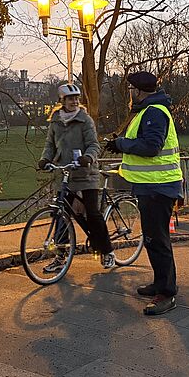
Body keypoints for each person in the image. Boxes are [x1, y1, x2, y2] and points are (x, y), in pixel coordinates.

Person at [105, 71, 182, 316]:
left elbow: (151, 147)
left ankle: (167, 294)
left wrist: (121, 144)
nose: (129, 95)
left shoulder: (155, 112)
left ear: (138, 91)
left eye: (131, 90)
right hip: (151, 185)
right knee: (152, 238)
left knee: (158, 240)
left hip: (159, 186)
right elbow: (141, 142)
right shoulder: (147, 111)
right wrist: (120, 144)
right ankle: (160, 283)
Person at [38, 83, 115, 272]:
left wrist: (88, 158)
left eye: (76, 98)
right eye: (70, 98)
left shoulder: (85, 120)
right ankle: (60, 256)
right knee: (60, 215)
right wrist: (45, 159)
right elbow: (50, 144)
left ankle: (107, 251)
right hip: (66, 174)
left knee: (93, 213)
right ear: (62, 101)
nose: (74, 101)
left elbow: (93, 145)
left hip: (86, 173)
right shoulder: (55, 121)